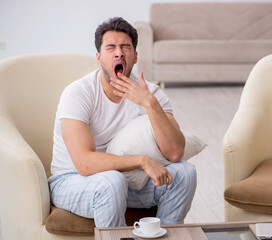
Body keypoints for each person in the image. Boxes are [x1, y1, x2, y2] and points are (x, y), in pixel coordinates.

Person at [48, 17, 197, 227]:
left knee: (184, 173)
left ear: (135, 57)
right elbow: (84, 163)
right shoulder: (78, 93)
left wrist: (150, 104)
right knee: (112, 182)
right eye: (111, 47)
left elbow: (174, 153)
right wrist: (143, 160)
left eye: (125, 47)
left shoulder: (152, 94)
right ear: (99, 57)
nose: (119, 52)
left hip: (125, 182)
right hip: (72, 181)